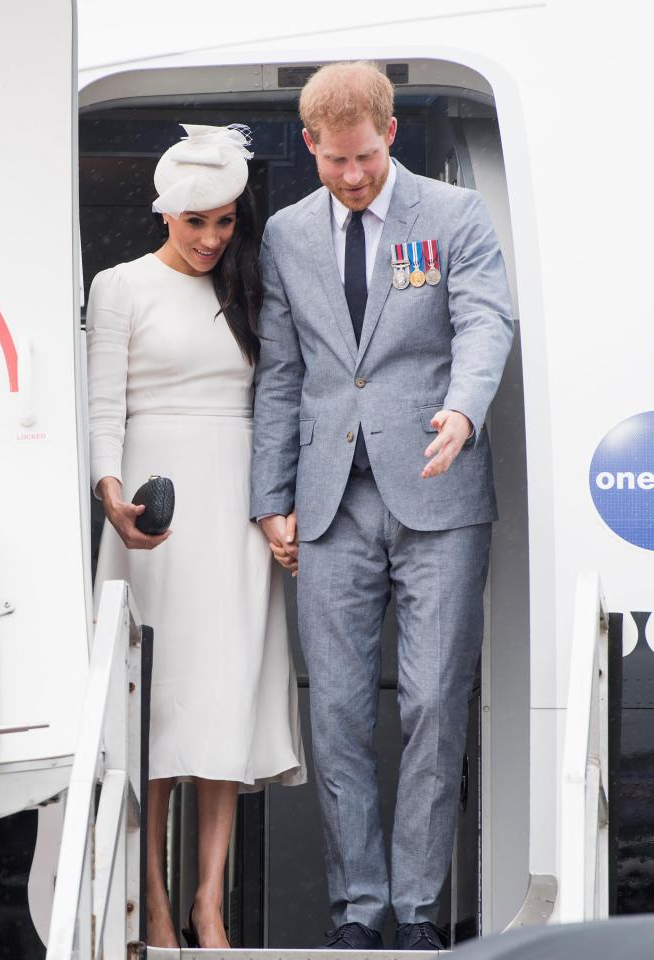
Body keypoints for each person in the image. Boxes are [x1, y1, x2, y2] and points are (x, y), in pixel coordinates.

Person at [251, 62, 513, 951]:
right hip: (328, 502)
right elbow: (282, 374)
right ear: (309, 146)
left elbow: (485, 322)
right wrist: (269, 499)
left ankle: (415, 917)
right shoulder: (285, 236)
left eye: (363, 157)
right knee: (336, 713)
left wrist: (465, 408)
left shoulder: (452, 218)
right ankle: (357, 911)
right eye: (334, 162)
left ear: (389, 135)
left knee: (434, 704)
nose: (353, 176)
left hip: (439, 490)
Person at [87, 124, 305, 950]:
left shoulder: (250, 284)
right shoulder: (120, 286)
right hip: (155, 511)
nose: (213, 238)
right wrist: (114, 500)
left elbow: (281, 399)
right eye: (195, 223)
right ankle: (152, 905)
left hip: (238, 505)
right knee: (151, 711)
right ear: (164, 216)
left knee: (221, 701)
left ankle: (207, 908)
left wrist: (275, 506)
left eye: (225, 221)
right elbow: (103, 405)